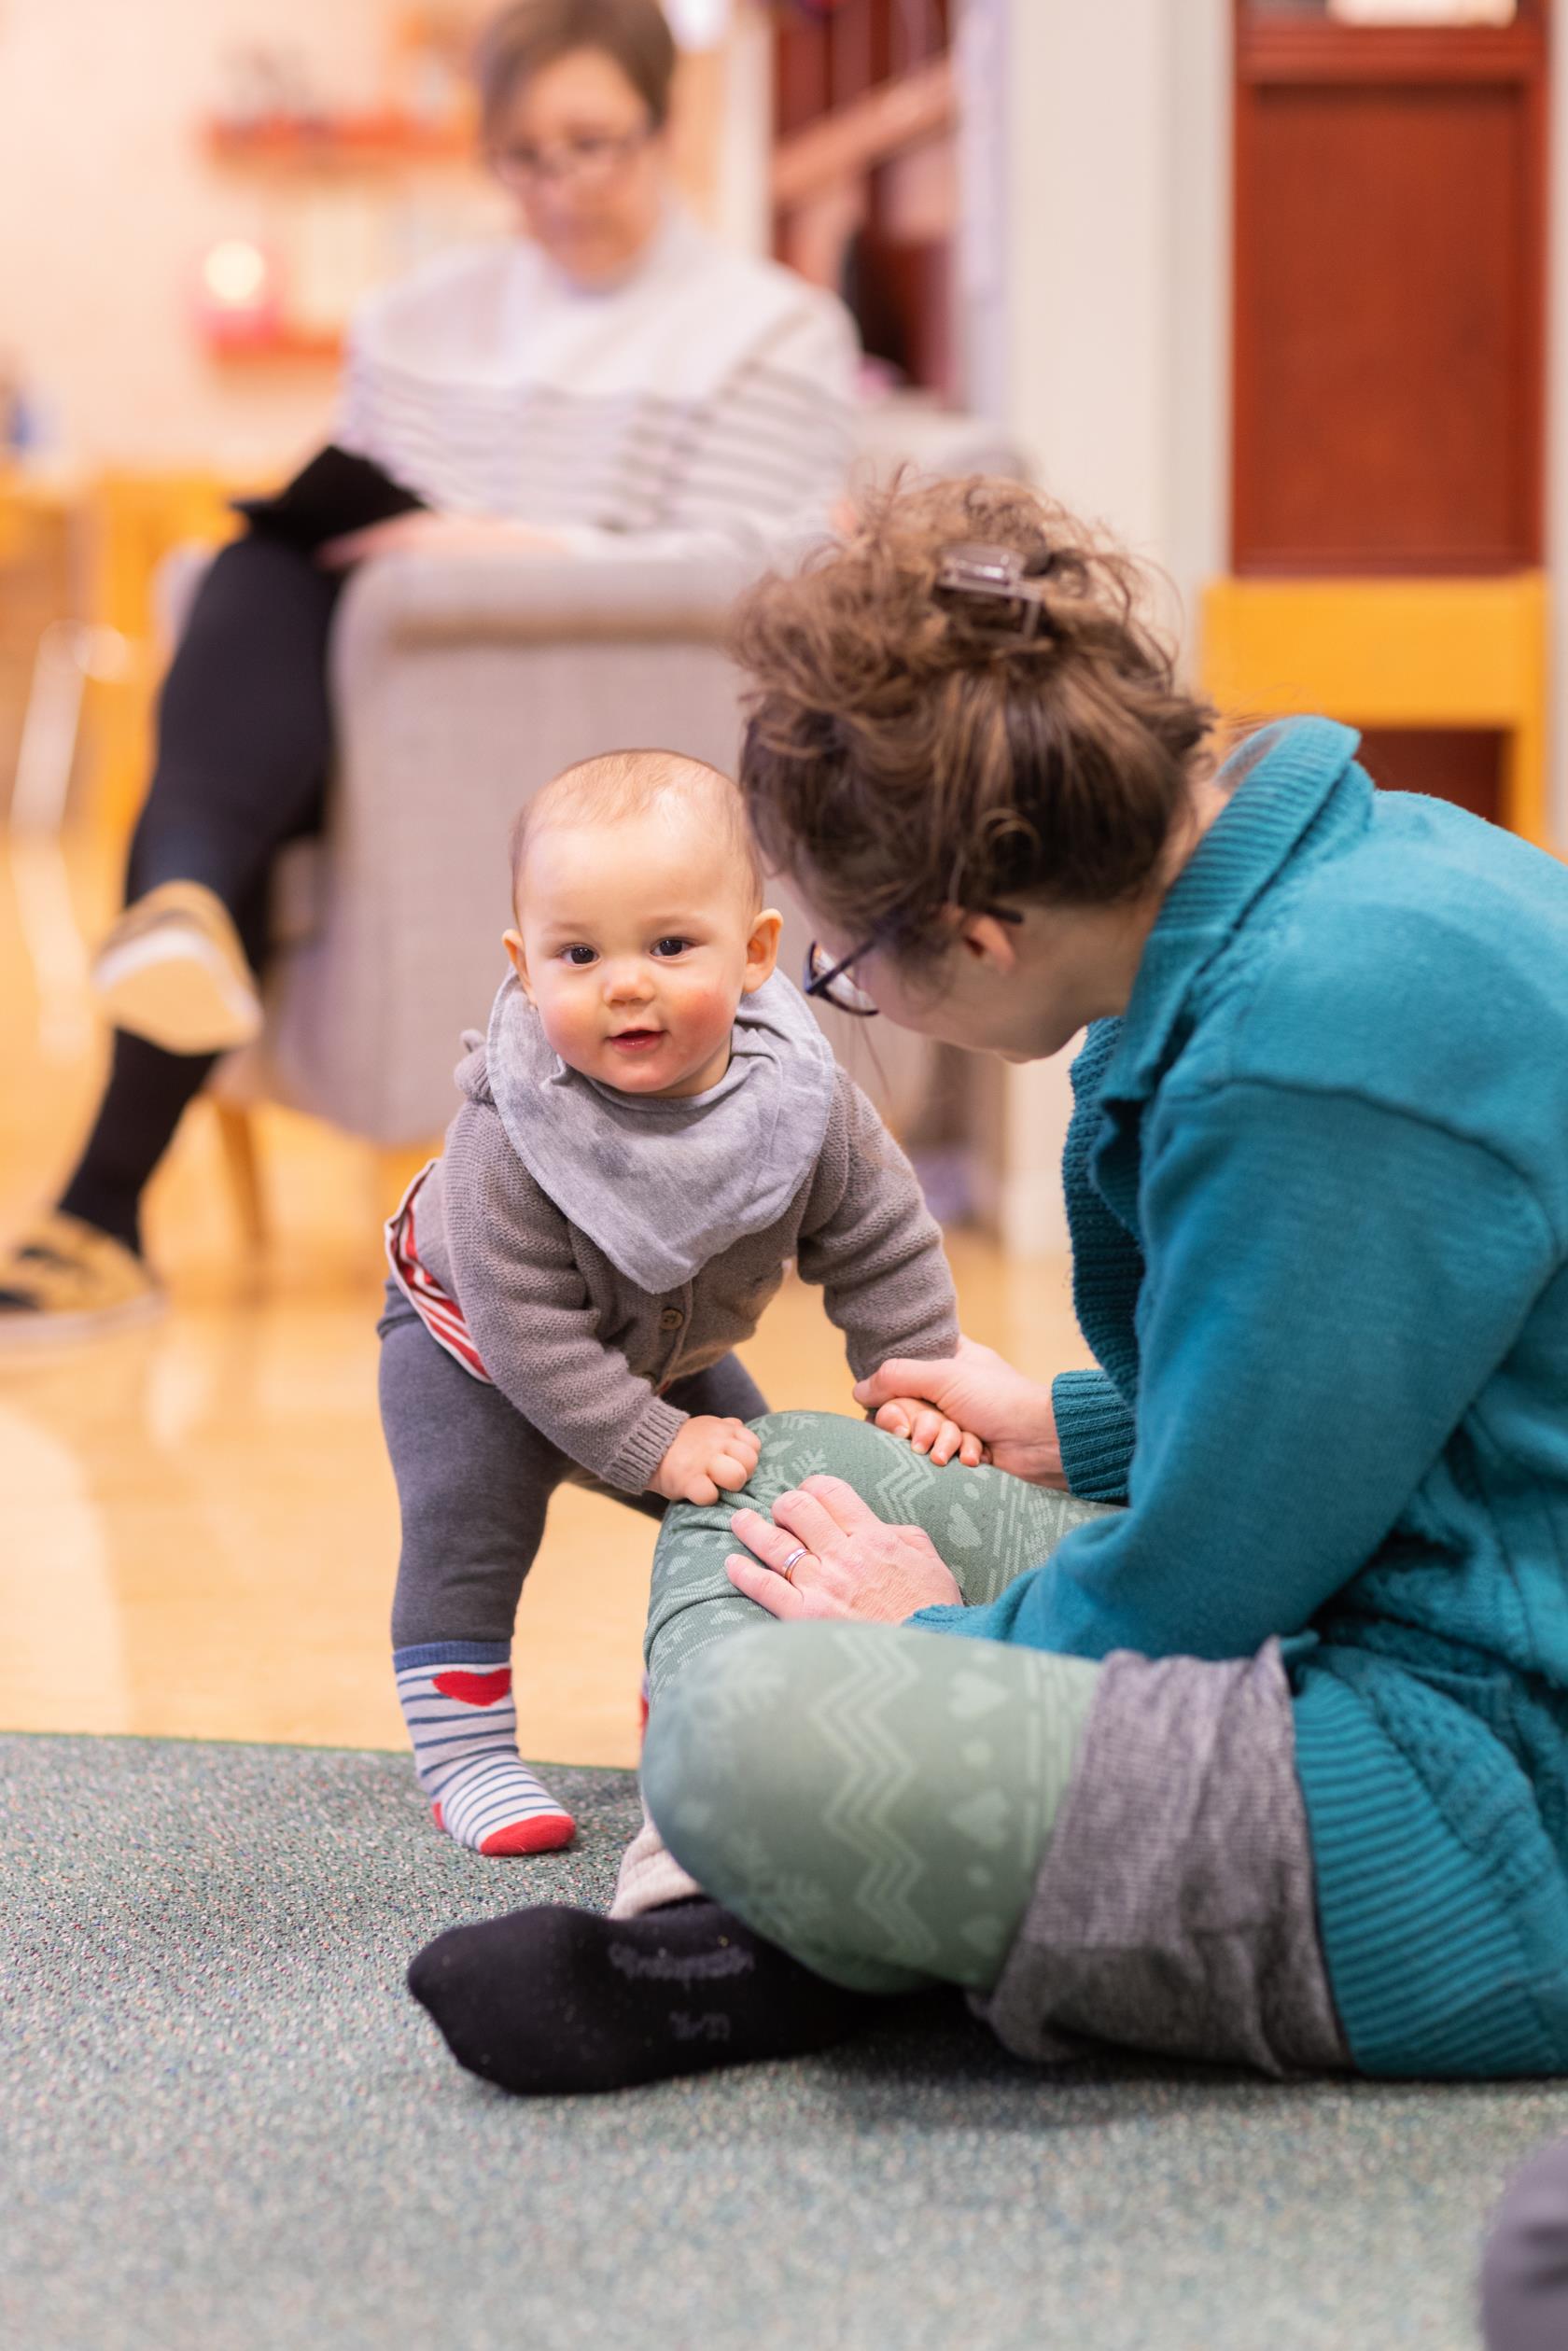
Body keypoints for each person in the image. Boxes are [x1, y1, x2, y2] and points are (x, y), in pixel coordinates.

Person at [404, 474, 1568, 2099]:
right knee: (786, 1476)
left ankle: (738, 1936)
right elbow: (1384, 1385)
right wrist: (1065, 1427)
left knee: (751, 1742)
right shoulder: (1341, 875)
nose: (842, 998)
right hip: (1407, 1584)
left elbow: (1207, 1585)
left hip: (1487, 1786)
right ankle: (817, 1909)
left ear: (977, 931)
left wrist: (941, 1637)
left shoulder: (1310, 1053)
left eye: (836, 964)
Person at [1, 0, 857, 1342]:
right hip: (367, 691)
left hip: (544, 689)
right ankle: (180, 924)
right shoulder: (419, 315)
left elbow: (763, 557)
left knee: (267, 624)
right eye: (523, 156)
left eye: (594, 146)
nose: (559, 187)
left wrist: (494, 546)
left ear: (664, 129)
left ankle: (111, 1187)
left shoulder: (768, 328)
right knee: (259, 568)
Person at [380, 748, 977, 1857]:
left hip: (669, 1333)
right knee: (468, 1524)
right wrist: (653, 1441)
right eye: (577, 952)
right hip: (471, 1349)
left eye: (668, 944)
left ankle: (690, 1704)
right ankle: (464, 1753)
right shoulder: (511, 1132)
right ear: (523, 964)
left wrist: (916, 1374)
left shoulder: (800, 1102)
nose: (624, 981)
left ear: (753, 953)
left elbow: (880, 1236)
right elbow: (528, 1332)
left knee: (759, 1503)